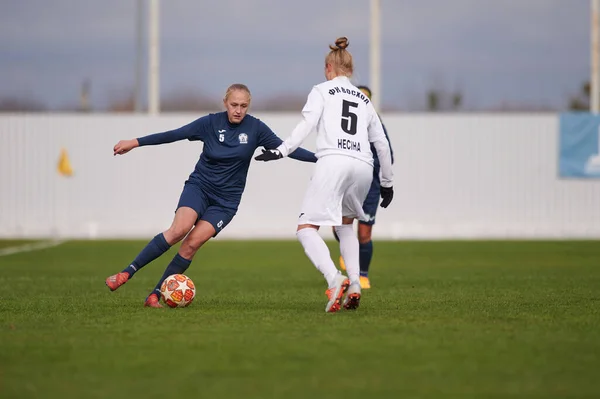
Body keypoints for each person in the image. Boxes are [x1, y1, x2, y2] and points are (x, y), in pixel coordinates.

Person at [105, 83, 317, 308]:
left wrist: (322, 158)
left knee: (191, 245)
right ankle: (126, 273)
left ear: (248, 106)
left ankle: (154, 295)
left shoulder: (256, 129)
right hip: (200, 187)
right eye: (234, 104)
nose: (238, 110)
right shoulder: (210, 123)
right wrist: (135, 142)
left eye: (243, 106)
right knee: (179, 230)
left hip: (226, 202)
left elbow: (288, 148)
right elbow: (174, 134)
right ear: (225, 103)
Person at [255, 37, 393, 313]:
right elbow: (381, 143)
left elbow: (307, 124)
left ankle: (334, 278)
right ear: (350, 70)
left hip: (334, 161)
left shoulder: (322, 90)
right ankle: (355, 282)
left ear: (329, 67)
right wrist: (387, 182)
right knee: (345, 226)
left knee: (306, 229)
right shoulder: (364, 98)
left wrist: (281, 151)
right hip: (364, 166)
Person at [332, 85, 394, 290]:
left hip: (370, 186)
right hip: (345, 182)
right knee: (339, 225)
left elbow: (387, 153)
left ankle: (363, 275)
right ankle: (346, 252)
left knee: (365, 233)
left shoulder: (375, 123)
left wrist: (385, 182)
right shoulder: (342, 123)